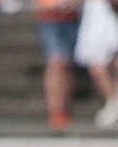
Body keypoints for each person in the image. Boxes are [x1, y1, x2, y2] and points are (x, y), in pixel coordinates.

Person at [75, 0, 118, 127]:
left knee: (102, 62)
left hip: (107, 17)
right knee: (98, 63)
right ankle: (114, 101)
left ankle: (117, 102)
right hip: (95, 15)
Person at [31, 0, 83, 128]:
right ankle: (55, 109)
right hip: (50, 17)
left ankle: (63, 107)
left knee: (67, 64)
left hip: (71, 17)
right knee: (56, 62)